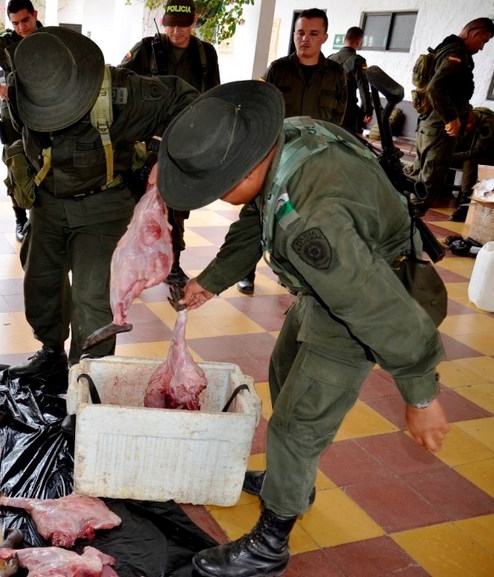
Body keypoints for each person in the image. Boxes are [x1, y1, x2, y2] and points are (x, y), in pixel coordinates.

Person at [157, 80, 449, 577]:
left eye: (218, 188)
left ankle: (271, 540)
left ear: (248, 164)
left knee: (298, 422)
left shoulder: (310, 220)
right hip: (327, 288)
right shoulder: (283, 138)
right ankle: (292, 480)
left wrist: (421, 394)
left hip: (365, 299)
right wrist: (214, 279)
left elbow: (374, 305)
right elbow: (257, 213)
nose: (217, 199)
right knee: (285, 368)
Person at [7, 27, 198, 375]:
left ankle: (87, 378)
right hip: (47, 204)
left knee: (92, 298)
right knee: (41, 285)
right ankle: (51, 352)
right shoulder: (24, 84)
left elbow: (188, 103)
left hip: (102, 206)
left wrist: (162, 157)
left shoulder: (121, 92)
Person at [235, 7, 346, 296]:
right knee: (258, 214)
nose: (304, 39)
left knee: (305, 219)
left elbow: (341, 120)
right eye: (300, 32)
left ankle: (297, 277)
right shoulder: (278, 69)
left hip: (315, 160)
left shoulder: (336, 74)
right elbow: (263, 112)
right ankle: (245, 271)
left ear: (324, 37)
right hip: (278, 155)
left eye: (312, 34)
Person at [119, 0, 219, 286]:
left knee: (177, 205)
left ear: (194, 22)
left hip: (185, 141)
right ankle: (133, 264)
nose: (176, 31)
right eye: (171, 24)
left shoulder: (205, 54)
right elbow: (120, 82)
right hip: (147, 140)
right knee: (137, 200)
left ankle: (173, 264)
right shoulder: (146, 48)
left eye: (183, 25)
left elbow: (213, 94)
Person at [0, 0, 43, 242]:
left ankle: (44, 218)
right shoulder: (5, 42)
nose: (21, 27)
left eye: (25, 20)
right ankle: (20, 219)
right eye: (15, 23)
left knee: (47, 163)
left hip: (46, 114)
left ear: (34, 14)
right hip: (13, 115)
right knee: (17, 165)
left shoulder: (50, 40)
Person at [411, 18, 494, 218]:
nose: (482, 48)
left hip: (429, 125)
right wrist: (451, 118)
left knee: (418, 181)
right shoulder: (456, 53)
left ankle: (402, 225)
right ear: (474, 33)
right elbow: (435, 88)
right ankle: (403, 231)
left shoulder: (444, 48)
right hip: (439, 129)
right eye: (483, 41)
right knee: (429, 185)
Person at [451, 106, 494, 221]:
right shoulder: (456, 120)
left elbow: (477, 152)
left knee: (470, 161)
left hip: (488, 156)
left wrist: (452, 156)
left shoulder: (487, 122)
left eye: (469, 123)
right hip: (469, 153)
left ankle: (465, 204)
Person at [328, 26, 373, 135]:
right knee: (349, 141)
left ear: (344, 40)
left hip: (328, 107)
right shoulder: (358, 61)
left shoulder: (330, 58)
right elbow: (363, 87)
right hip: (348, 109)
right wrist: (368, 110)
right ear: (359, 42)